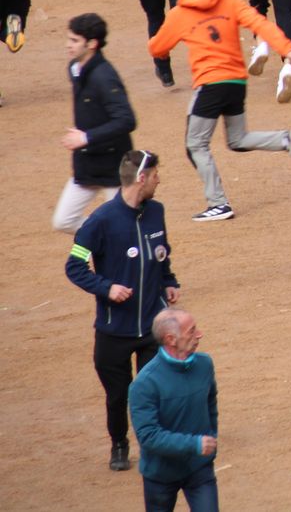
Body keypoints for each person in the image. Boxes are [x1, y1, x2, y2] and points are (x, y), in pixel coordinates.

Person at [148, 0, 291, 222]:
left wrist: (163, 45)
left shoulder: (180, 13)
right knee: (236, 139)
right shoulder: (231, 1)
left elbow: (157, 48)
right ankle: (285, 139)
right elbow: (262, 25)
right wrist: (287, 50)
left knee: (195, 144)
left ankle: (218, 203)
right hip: (236, 81)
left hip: (210, 83)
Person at [65, 150, 178, 473]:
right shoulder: (99, 222)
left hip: (152, 326)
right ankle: (119, 442)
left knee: (153, 391)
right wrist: (106, 288)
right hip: (114, 330)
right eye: (156, 174)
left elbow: (162, 253)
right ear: (141, 178)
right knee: (118, 396)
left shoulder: (156, 212)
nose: (159, 179)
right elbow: (74, 266)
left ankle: (153, 444)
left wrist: (169, 280)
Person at [53, 12, 137, 234]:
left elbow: (126, 119)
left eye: (74, 40)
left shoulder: (104, 76)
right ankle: (103, 235)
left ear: (92, 44)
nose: (67, 45)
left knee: (125, 228)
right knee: (63, 221)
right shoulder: (76, 69)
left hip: (113, 166)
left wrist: (86, 137)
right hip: (87, 163)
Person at [128, 308, 219, 512]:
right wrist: (194, 444)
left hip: (199, 468)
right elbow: (148, 436)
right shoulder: (145, 384)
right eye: (191, 331)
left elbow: (210, 402)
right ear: (171, 339)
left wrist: (211, 434)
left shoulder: (205, 364)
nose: (199, 335)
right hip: (161, 474)